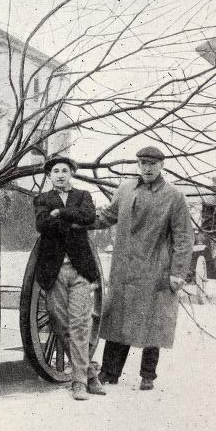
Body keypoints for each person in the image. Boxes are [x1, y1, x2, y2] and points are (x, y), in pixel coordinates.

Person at [93, 146, 193, 390]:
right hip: (124, 268)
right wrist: (79, 219)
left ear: (162, 166)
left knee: (154, 322)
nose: (147, 168)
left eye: (152, 164)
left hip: (156, 268)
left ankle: (148, 375)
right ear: (138, 165)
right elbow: (107, 216)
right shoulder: (125, 189)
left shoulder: (173, 196)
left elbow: (183, 236)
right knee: (117, 317)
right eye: (143, 164)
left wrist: (178, 272)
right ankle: (109, 372)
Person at [33, 156, 104, 401]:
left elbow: (89, 217)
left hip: (81, 270)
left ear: (71, 174)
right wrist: (71, 222)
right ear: (49, 176)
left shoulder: (83, 195)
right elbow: (42, 224)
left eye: (65, 170)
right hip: (55, 271)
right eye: (55, 171)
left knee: (80, 324)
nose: (60, 174)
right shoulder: (42, 199)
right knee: (61, 323)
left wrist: (60, 213)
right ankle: (91, 371)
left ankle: (79, 383)